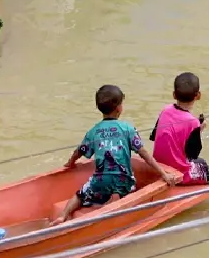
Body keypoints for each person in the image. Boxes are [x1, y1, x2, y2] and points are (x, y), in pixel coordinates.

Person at [52, 85, 180, 225]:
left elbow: (79, 151)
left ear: (98, 107)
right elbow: (143, 153)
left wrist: (70, 163)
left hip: (100, 181)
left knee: (79, 195)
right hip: (123, 180)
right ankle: (118, 199)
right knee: (130, 186)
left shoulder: (93, 131)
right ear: (119, 108)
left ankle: (63, 216)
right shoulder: (127, 128)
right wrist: (163, 174)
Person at [148, 72, 209, 207]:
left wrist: (195, 130)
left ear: (174, 95)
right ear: (198, 95)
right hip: (179, 174)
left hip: (160, 167)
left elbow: (154, 137)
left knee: (202, 162)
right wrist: (199, 130)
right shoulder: (193, 123)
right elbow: (192, 154)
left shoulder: (165, 110)